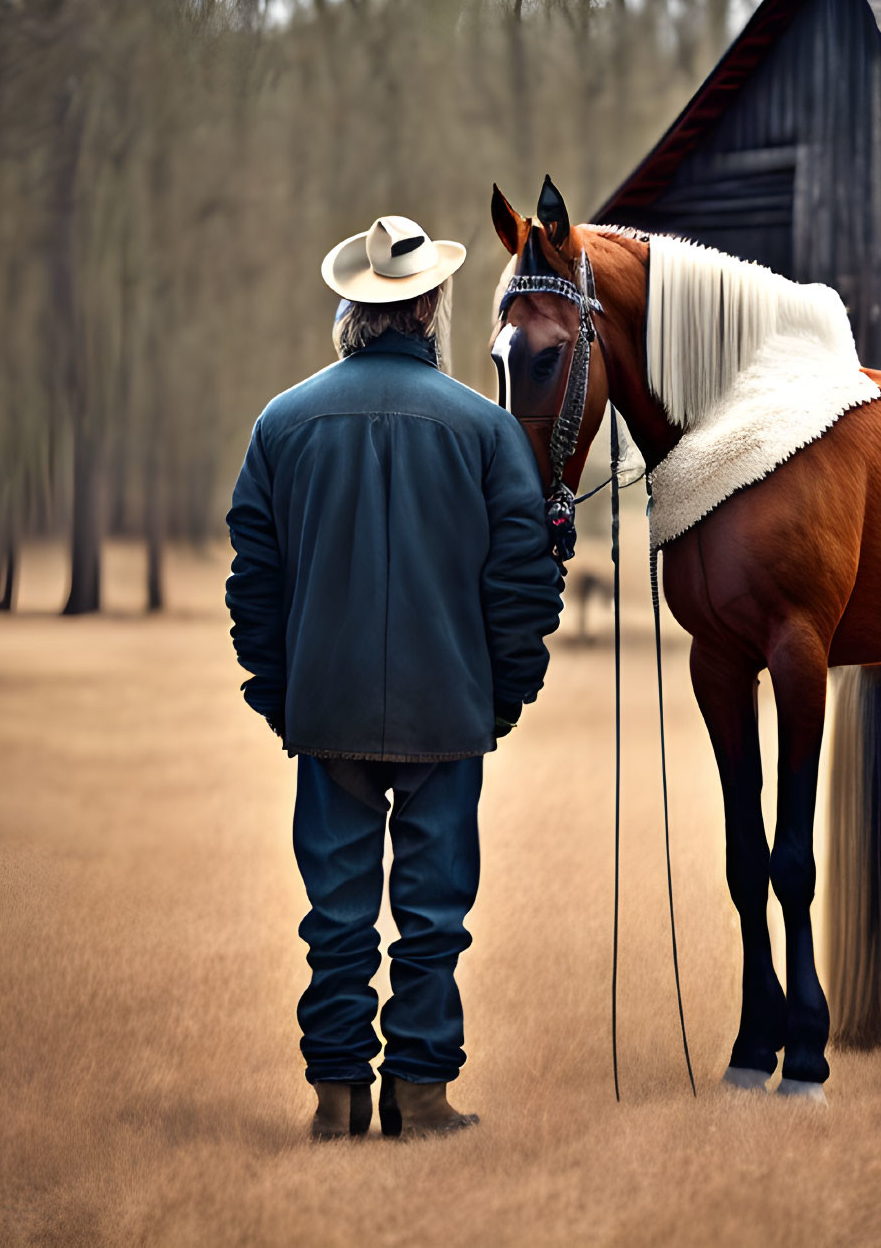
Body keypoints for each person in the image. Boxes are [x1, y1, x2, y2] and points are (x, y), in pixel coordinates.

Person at [225, 215, 563, 1141]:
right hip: (447, 714)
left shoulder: (281, 422)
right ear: (430, 308)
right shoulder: (487, 431)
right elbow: (524, 583)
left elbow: (253, 578)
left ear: (352, 310)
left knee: (334, 917)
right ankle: (419, 1097)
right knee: (433, 919)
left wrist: (280, 695)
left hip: (325, 713)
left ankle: (335, 1102)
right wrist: (500, 696)